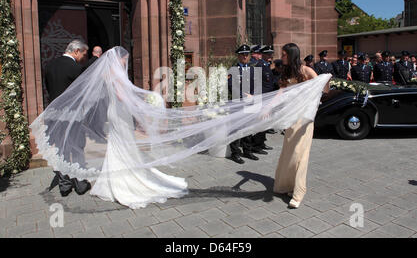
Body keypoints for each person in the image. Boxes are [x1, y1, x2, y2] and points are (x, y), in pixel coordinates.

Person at [31, 47, 331, 209]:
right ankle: (121, 182)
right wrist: (147, 102)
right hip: (120, 116)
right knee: (122, 148)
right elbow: (126, 95)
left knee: (121, 149)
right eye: (123, 60)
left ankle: (113, 180)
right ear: (116, 62)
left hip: (117, 116)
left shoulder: (303, 70)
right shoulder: (115, 78)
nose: (124, 63)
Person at [273, 43, 329, 209]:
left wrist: (326, 80)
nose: (281, 57)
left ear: (292, 55)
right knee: (289, 153)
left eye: (284, 54)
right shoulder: (286, 72)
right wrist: (267, 108)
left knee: (300, 154)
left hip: (304, 118)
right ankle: (288, 186)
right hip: (291, 118)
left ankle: (298, 192)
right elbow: (280, 93)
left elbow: (324, 90)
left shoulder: (306, 71)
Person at [44, 39, 91, 197]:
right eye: (83, 54)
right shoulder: (76, 68)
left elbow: (50, 89)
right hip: (73, 116)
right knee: (76, 148)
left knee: (60, 149)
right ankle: (80, 184)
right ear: (76, 51)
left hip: (54, 116)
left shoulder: (50, 66)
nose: (84, 58)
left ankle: (64, 185)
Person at [227, 44, 260, 164]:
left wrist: (254, 96)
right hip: (238, 103)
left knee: (248, 127)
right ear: (238, 56)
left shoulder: (252, 69)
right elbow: (231, 86)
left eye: (247, 54)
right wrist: (245, 96)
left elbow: (256, 85)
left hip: (250, 103)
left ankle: (247, 150)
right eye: (243, 55)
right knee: (236, 128)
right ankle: (235, 153)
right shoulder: (232, 70)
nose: (245, 57)